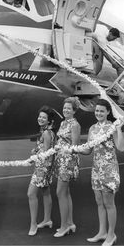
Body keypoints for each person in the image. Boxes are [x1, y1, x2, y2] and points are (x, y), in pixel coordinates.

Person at [81, 98, 124, 246]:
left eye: (102, 111)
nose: (98, 113)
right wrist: (73, 149)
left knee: (109, 203)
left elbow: (121, 147)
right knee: (99, 202)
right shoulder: (92, 128)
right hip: (96, 169)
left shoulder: (112, 127)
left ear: (108, 112)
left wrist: (119, 129)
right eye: (97, 110)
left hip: (109, 169)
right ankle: (102, 232)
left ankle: (111, 235)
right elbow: (88, 149)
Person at [53, 97, 81, 237]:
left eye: (69, 108)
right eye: (64, 108)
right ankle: (70, 223)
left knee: (60, 192)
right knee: (66, 192)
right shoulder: (63, 123)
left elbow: (75, 147)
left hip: (68, 160)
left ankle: (64, 226)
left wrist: (65, 151)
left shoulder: (74, 125)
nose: (66, 110)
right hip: (61, 159)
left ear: (74, 110)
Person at [27, 106, 56, 236]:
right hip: (46, 166)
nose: (40, 119)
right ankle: (47, 219)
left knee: (31, 194)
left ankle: (33, 224)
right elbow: (44, 148)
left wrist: (35, 156)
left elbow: (46, 152)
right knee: (45, 192)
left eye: (44, 117)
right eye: (40, 116)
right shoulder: (46, 131)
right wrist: (35, 151)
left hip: (43, 167)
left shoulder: (45, 133)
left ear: (49, 120)